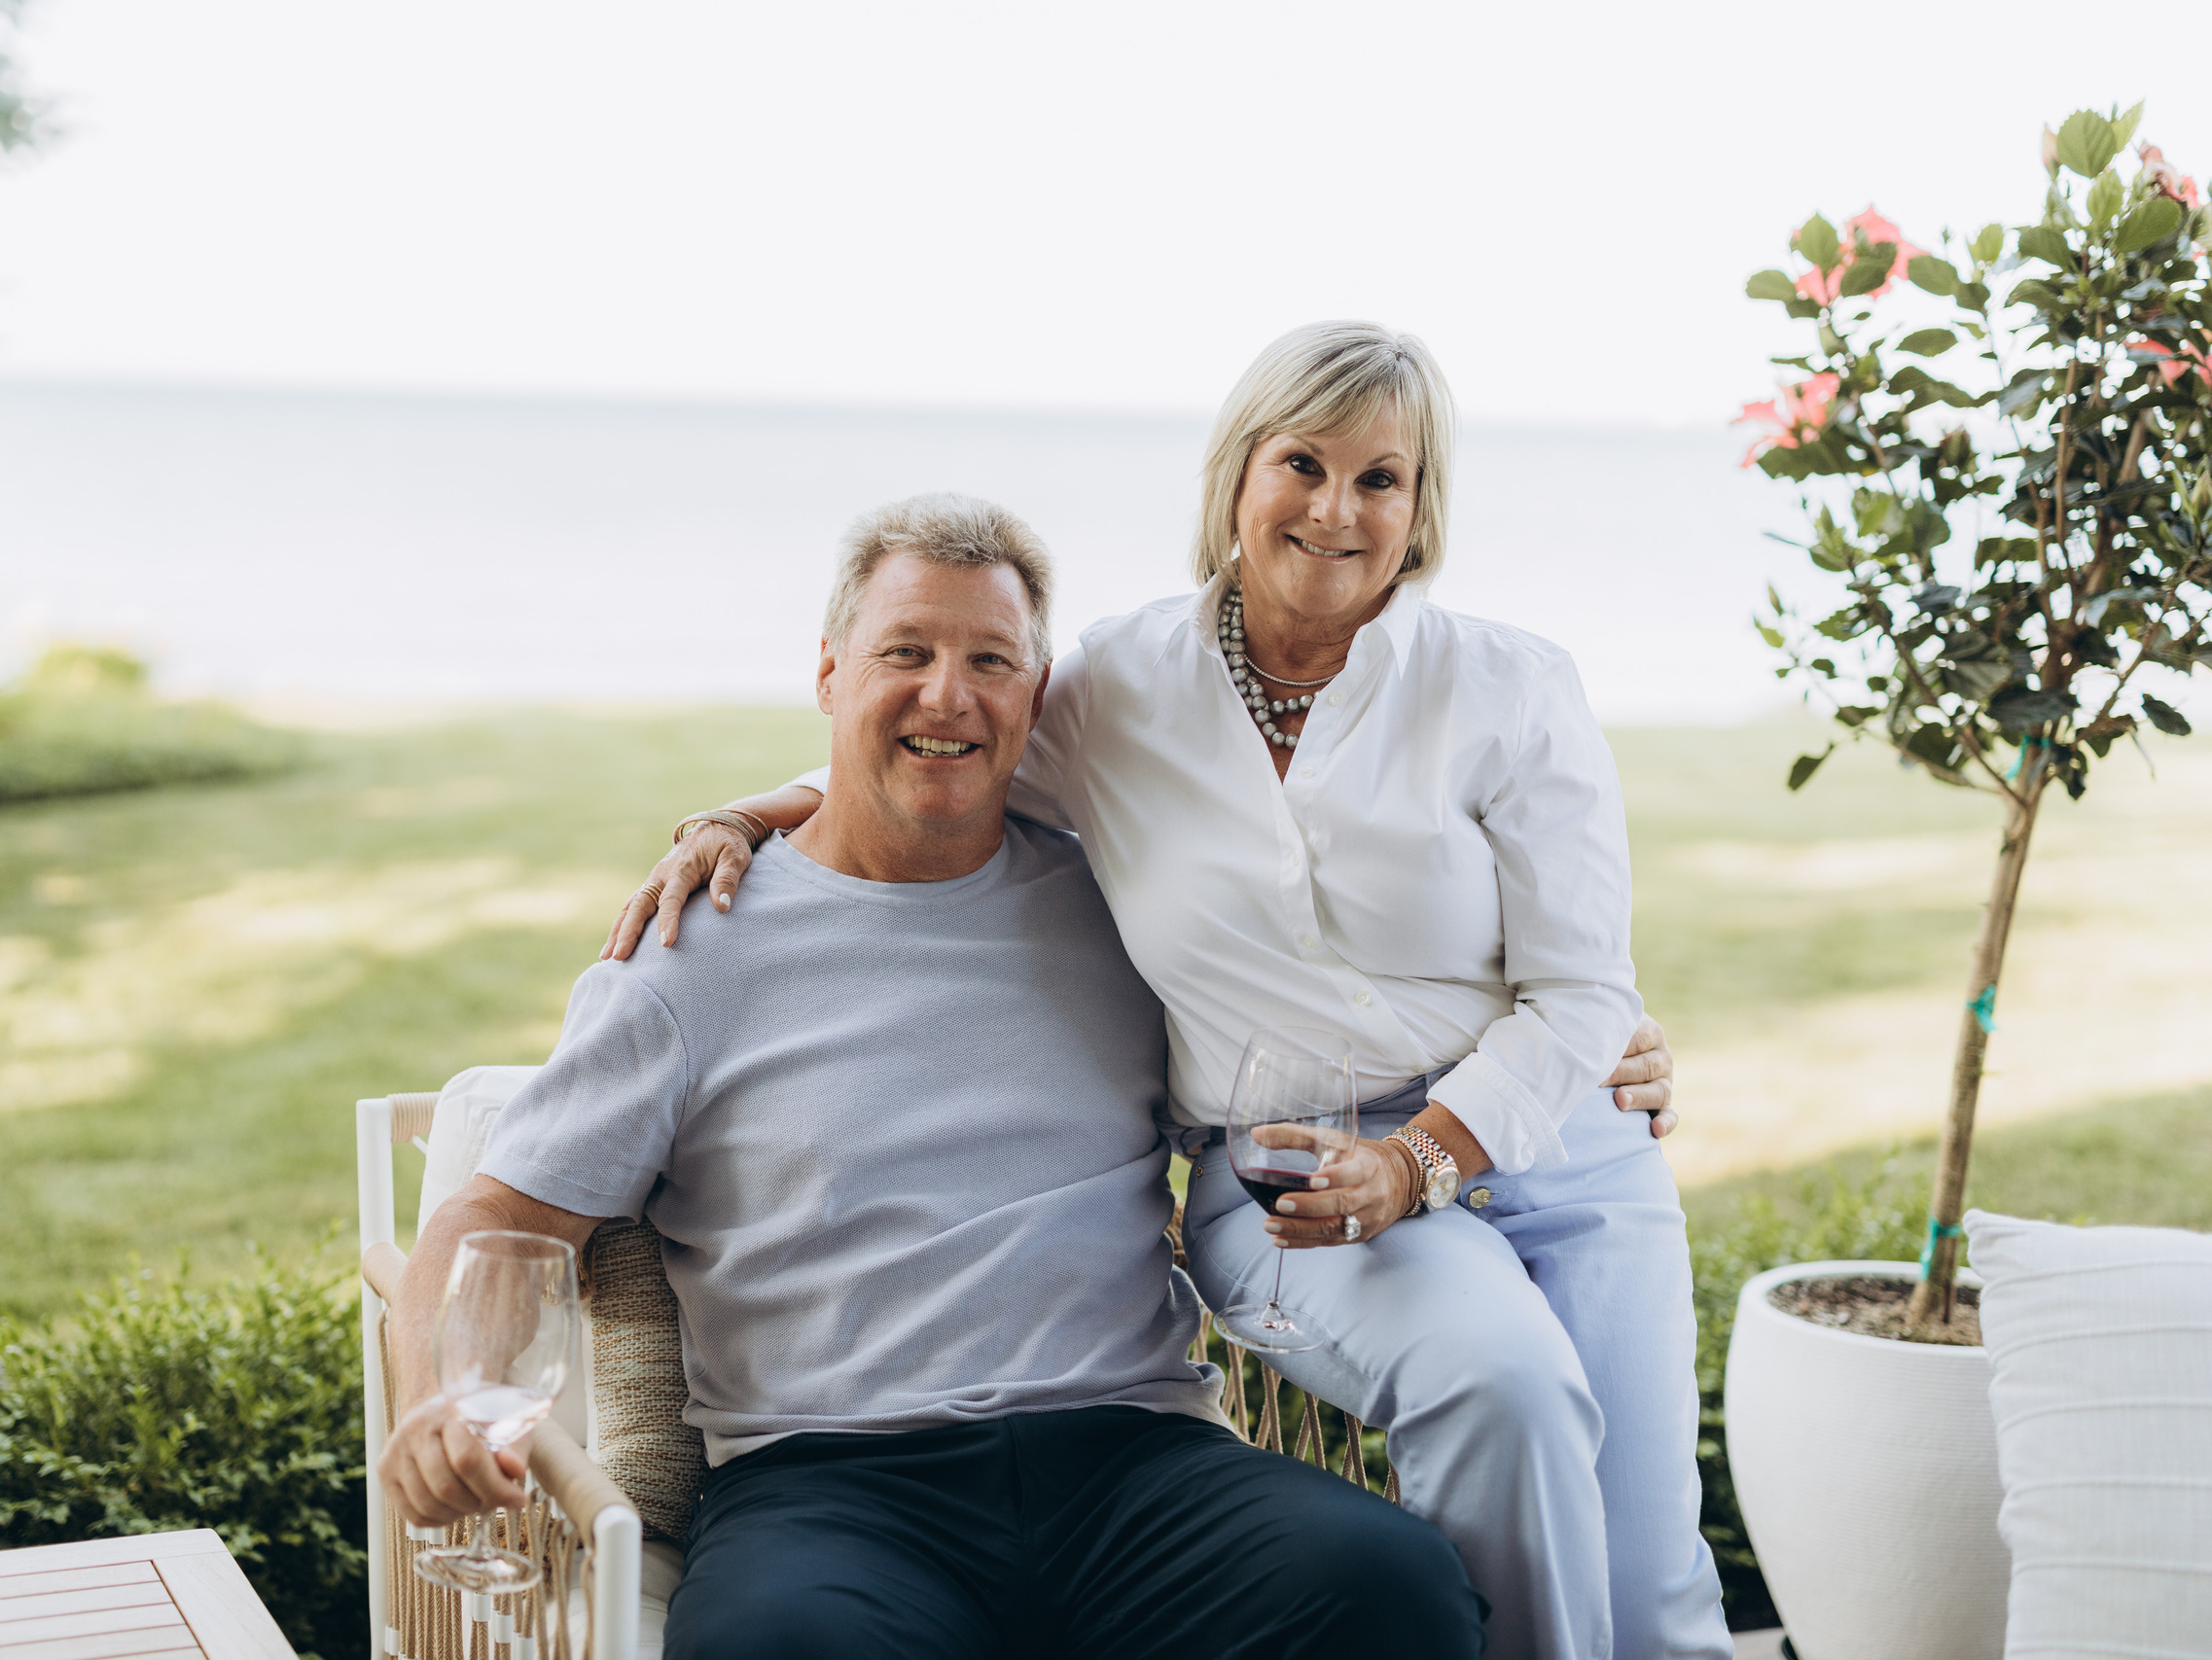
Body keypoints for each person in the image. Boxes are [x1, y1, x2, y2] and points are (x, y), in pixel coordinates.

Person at [608, 323, 1731, 1660]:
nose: (1336, 507)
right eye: (1302, 462)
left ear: (1423, 507)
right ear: (1235, 477)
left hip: (1561, 1138)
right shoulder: (1116, 690)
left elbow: (1581, 985)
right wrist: (736, 813)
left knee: (1658, 1585)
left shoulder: (1511, 687)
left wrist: (1440, 1147)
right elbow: (939, 750)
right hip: (1302, 1177)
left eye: (1382, 476)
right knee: (1509, 1387)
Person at [376, 500, 1486, 1660]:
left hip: (1133, 1461)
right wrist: (436, 1400)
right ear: (829, 675)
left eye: (989, 661)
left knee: (1393, 1589)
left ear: (1038, 692)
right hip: (833, 1487)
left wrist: (1569, 1033)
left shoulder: (1126, 908)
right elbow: (498, 1214)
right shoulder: (690, 953)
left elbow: (1349, 1004)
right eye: (906, 653)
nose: (947, 696)